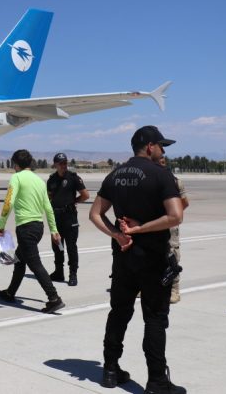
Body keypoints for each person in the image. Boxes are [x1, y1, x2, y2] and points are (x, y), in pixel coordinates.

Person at [88, 126, 184, 393]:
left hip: (123, 257)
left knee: (119, 311)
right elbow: (175, 216)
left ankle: (110, 369)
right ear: (150, 146)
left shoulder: (115, 174)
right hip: (152, 258)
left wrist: (118, 235)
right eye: (161, 146)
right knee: (154, 318)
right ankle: (157, 381)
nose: (163, 151)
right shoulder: (161, 174)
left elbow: (95, 214)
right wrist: (139, 229)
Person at [0, 149, 65, 314]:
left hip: (25, 228)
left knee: (35, 264)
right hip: (38, 227)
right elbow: (48, 207)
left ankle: (54, 298)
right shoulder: (39, 180)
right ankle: (10, 292)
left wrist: (1, 225)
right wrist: (54, 230)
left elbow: (8, 202)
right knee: (19, 260)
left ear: (16, 164)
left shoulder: (17, 177)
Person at [47, 153, 89, 286]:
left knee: (71, 246)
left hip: (69, 218)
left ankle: (73, 274)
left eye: (65, 163)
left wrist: (74, 201)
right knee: (57, 245)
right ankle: (59, 272)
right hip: (56, 217)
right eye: (61, 163)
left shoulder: (73, 178)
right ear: (55, 164)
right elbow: (49, 198)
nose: (64, 165)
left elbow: (85, 195)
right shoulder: (51, 180)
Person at [158, 156, 189, 304]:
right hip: (152, 223)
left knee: (172, 254)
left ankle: (174, 289)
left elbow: (185, 203)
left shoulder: (175, 182)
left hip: (170, 225)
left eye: (163, 162)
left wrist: (172, 215)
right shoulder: (148, 179)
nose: (160, 164)